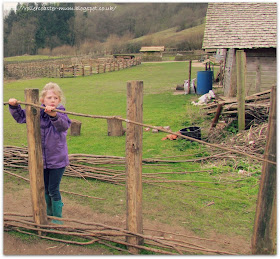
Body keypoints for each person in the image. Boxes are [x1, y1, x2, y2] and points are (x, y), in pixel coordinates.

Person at [8, 82, 71, 224]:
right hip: (41, 160)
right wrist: (14, 106)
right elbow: (20, 117)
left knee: (53, 189)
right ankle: (48, 213)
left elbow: (63, 126)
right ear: (42, 100)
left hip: (57, 161)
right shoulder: (36, 112)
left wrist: (53, 115)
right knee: (45, 188)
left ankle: (57, 219)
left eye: (55, 98)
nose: (52, 100)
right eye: (49, 97)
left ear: (59, 100)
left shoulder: (61, 113)